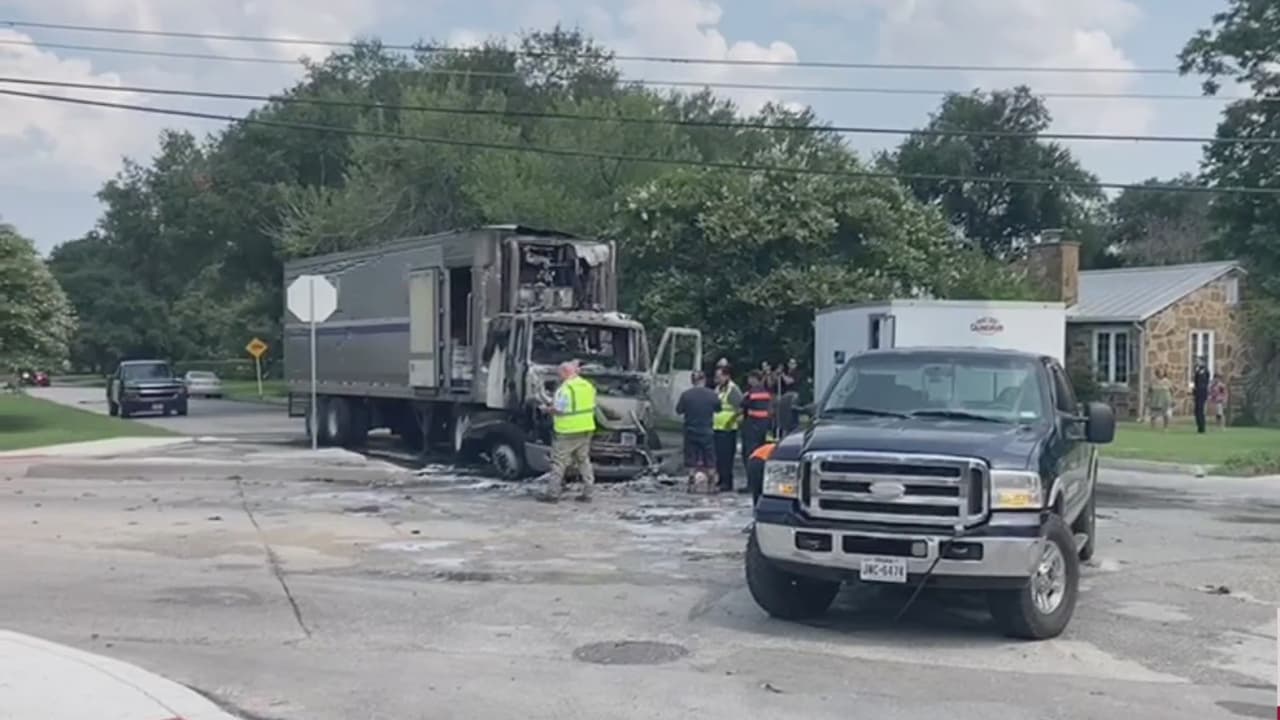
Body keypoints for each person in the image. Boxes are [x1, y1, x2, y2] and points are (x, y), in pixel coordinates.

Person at [537, 361, 597, 503]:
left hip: (567, 431)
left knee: (558, 462)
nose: (559, 376)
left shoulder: (565, 389)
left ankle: (552, 494)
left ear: (565, 372)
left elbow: (560, 409)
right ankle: (588, 493)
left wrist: (546, 409)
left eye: (560, 373)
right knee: (583, 460)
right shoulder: (588, 386)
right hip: (586, 428)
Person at [675, 370, 721, 491]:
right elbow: (718, 409)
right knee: (710, 458)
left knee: (691, 457)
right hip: (707, 430)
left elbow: (679, 410)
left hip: (690, 430)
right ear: (704, 380)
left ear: (692, 381)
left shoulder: (686, 395)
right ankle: (711, 484)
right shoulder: (712, 395)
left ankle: (691, 483)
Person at [739, 370, 774, 487]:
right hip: (763, 428)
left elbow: (742, 405)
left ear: (754, 379)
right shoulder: (767, 393)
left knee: (749, 455)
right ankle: (760, 482)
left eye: (750, 378)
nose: (748, 381)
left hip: (751, 427)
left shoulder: (751, 393)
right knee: (761, 455)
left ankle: (750, 484)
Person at [711, 365, 742, 493]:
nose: (717, 379)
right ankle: (721, 480)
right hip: (717, 427)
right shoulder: (719, 388)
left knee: (726, 457)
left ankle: (727, 483)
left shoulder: (733, 390)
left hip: (728, 429)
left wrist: (733, 420)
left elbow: (740, 408)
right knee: (718, 457)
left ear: (727, 376)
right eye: (716, 376)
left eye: (719, 376)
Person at [746, 440, 777, 506]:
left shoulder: (775, 447)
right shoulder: (779, 449)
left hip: (754, 459)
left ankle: (757, 505)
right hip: (758, 460)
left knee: (757, 488)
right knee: (761, 487)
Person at [1147, 367, 1172, 431]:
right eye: (1159, 372)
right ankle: (1152, 427)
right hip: (1155, 400)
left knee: (1165, 414)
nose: (1161, 374)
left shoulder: (1167, 381)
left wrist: (1171, 399)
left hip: (1165, 400)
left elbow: (1171, 390)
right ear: (1156, 373)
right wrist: (1148, 398)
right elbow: (1149, 390)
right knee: (1153, 414)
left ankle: (1165, 427)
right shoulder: (1153, 381)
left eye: (1162, 372)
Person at [1192, 357, 1211, 434]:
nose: (1197, 362)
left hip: (1202, 392)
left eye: (1198, 361)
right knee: (1196, 410)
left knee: (1200, 409)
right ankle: (1199, 426)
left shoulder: (1205, 371)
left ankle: (1202, 428)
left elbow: (1205, 381)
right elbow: (1196, 381)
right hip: (1197, 392)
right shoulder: (1197, 370)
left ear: (1203, 362)